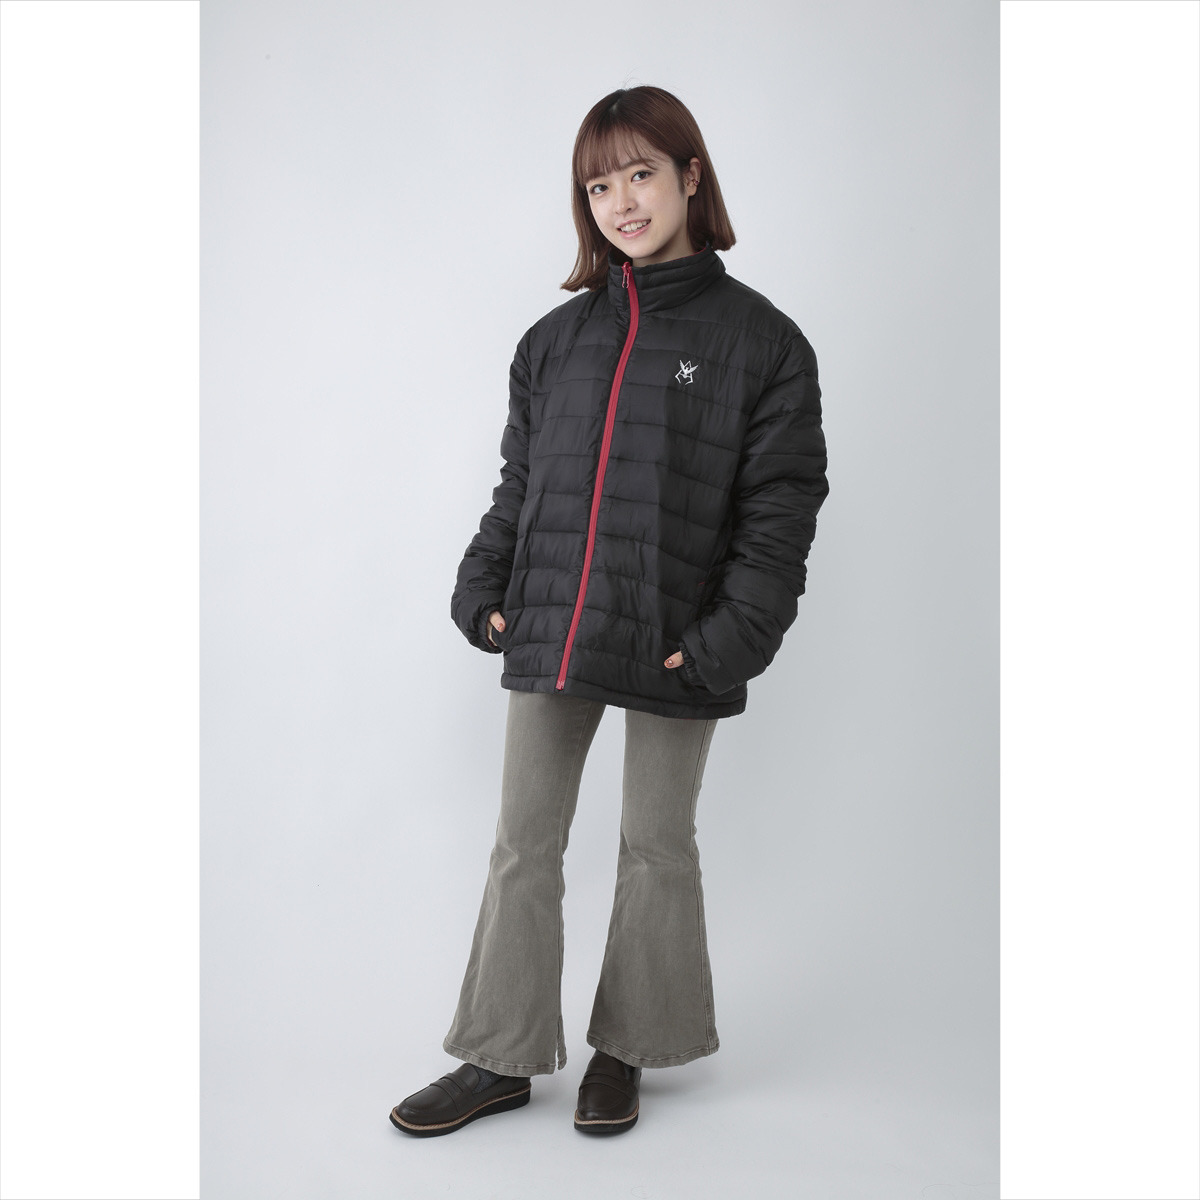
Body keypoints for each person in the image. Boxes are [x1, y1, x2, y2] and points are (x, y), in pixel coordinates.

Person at [390, 85, 829, 1138]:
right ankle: (498, 1057)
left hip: (679, 639)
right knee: (522, 845)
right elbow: (522, 483)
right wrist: (483, 585)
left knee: (656, 846)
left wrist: (729, 640)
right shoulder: (554, 341)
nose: (622, 202)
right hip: (553, 620)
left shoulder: (764, 343)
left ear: (690, 177)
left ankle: (628, 1049)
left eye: (641, 173)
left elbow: (781, 512)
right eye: (599, 185)